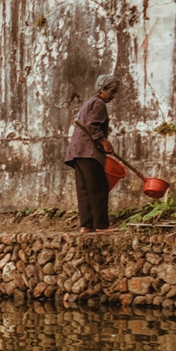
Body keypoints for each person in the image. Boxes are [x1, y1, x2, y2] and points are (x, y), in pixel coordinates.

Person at [66, 73, 120, 232]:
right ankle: (101, 225)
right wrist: (104, 142)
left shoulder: (89, 102)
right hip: (88, 152)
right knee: (99, 187)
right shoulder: (99, 104)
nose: (113, 95)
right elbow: (92, 126)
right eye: (112, 91)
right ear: (104, 90)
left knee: (84, 189)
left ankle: (86, 225)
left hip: (76, 151)